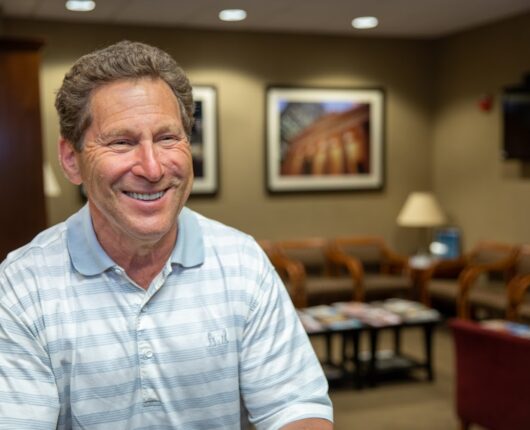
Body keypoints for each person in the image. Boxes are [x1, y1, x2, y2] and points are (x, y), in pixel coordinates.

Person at [0, 41, 333, 429]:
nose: (152, 167)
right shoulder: (23, 285)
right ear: (72, 160)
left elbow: (294, 407)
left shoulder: (242, 262)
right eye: (121, 142)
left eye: (167, 138)